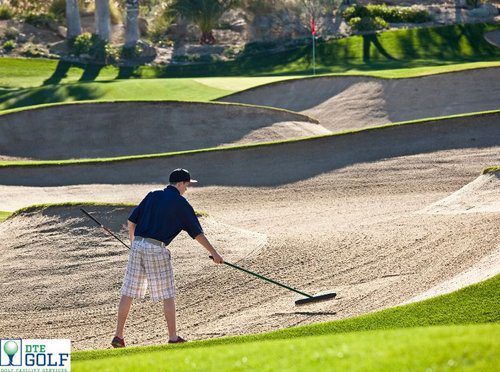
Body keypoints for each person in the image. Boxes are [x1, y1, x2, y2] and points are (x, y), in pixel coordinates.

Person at [111, 168, 224, 348]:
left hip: (138, 245)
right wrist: (214, 253)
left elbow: (131, 221)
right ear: (179, 184)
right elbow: (197, 234)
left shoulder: (152, 194)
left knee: (128, 291)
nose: (186, 189)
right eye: (186, 185)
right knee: (167, 294)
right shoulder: (181, 203)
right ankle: (173, 337)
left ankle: (118, 336)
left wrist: (133, 243)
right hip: (156, 248)